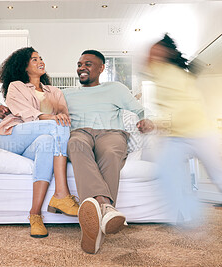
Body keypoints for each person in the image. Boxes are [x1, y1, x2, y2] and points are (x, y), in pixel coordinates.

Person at [148, 34, 222, 261]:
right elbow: (169, 112)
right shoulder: (158, 77)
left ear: (164, 54)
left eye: (154, 51)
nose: (149, 56)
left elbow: (182, 111)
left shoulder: (174, 75)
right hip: (177, 137)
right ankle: (191, 215)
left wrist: (155, 123)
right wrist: (157, 124)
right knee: (164, 171)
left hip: (201, 133)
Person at [63, 50, 153, 254]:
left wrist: (146, 119)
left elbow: (140, 110)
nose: (81, 68)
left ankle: (94, 231)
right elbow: (43, 109)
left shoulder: (116, 88)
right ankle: (106, 207)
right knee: (76, 145)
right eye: (79, 64)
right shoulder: (67, 93)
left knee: (112, 153)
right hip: (80, 132)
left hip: (111, 133)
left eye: (88, 64)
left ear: (102, 68)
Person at [0, 47, 79, 238]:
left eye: (41, 58)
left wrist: (55, 118)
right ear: (24, 66)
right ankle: (62, 194)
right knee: (55, 125)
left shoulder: (55, 91)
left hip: (38, 140)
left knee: (48, 141)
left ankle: (35, 214)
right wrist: (48, 116)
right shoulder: (16, 86)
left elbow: (64, 117)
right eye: (34, 59)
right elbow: (23, 113)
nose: (40, 61)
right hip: (11, 136)